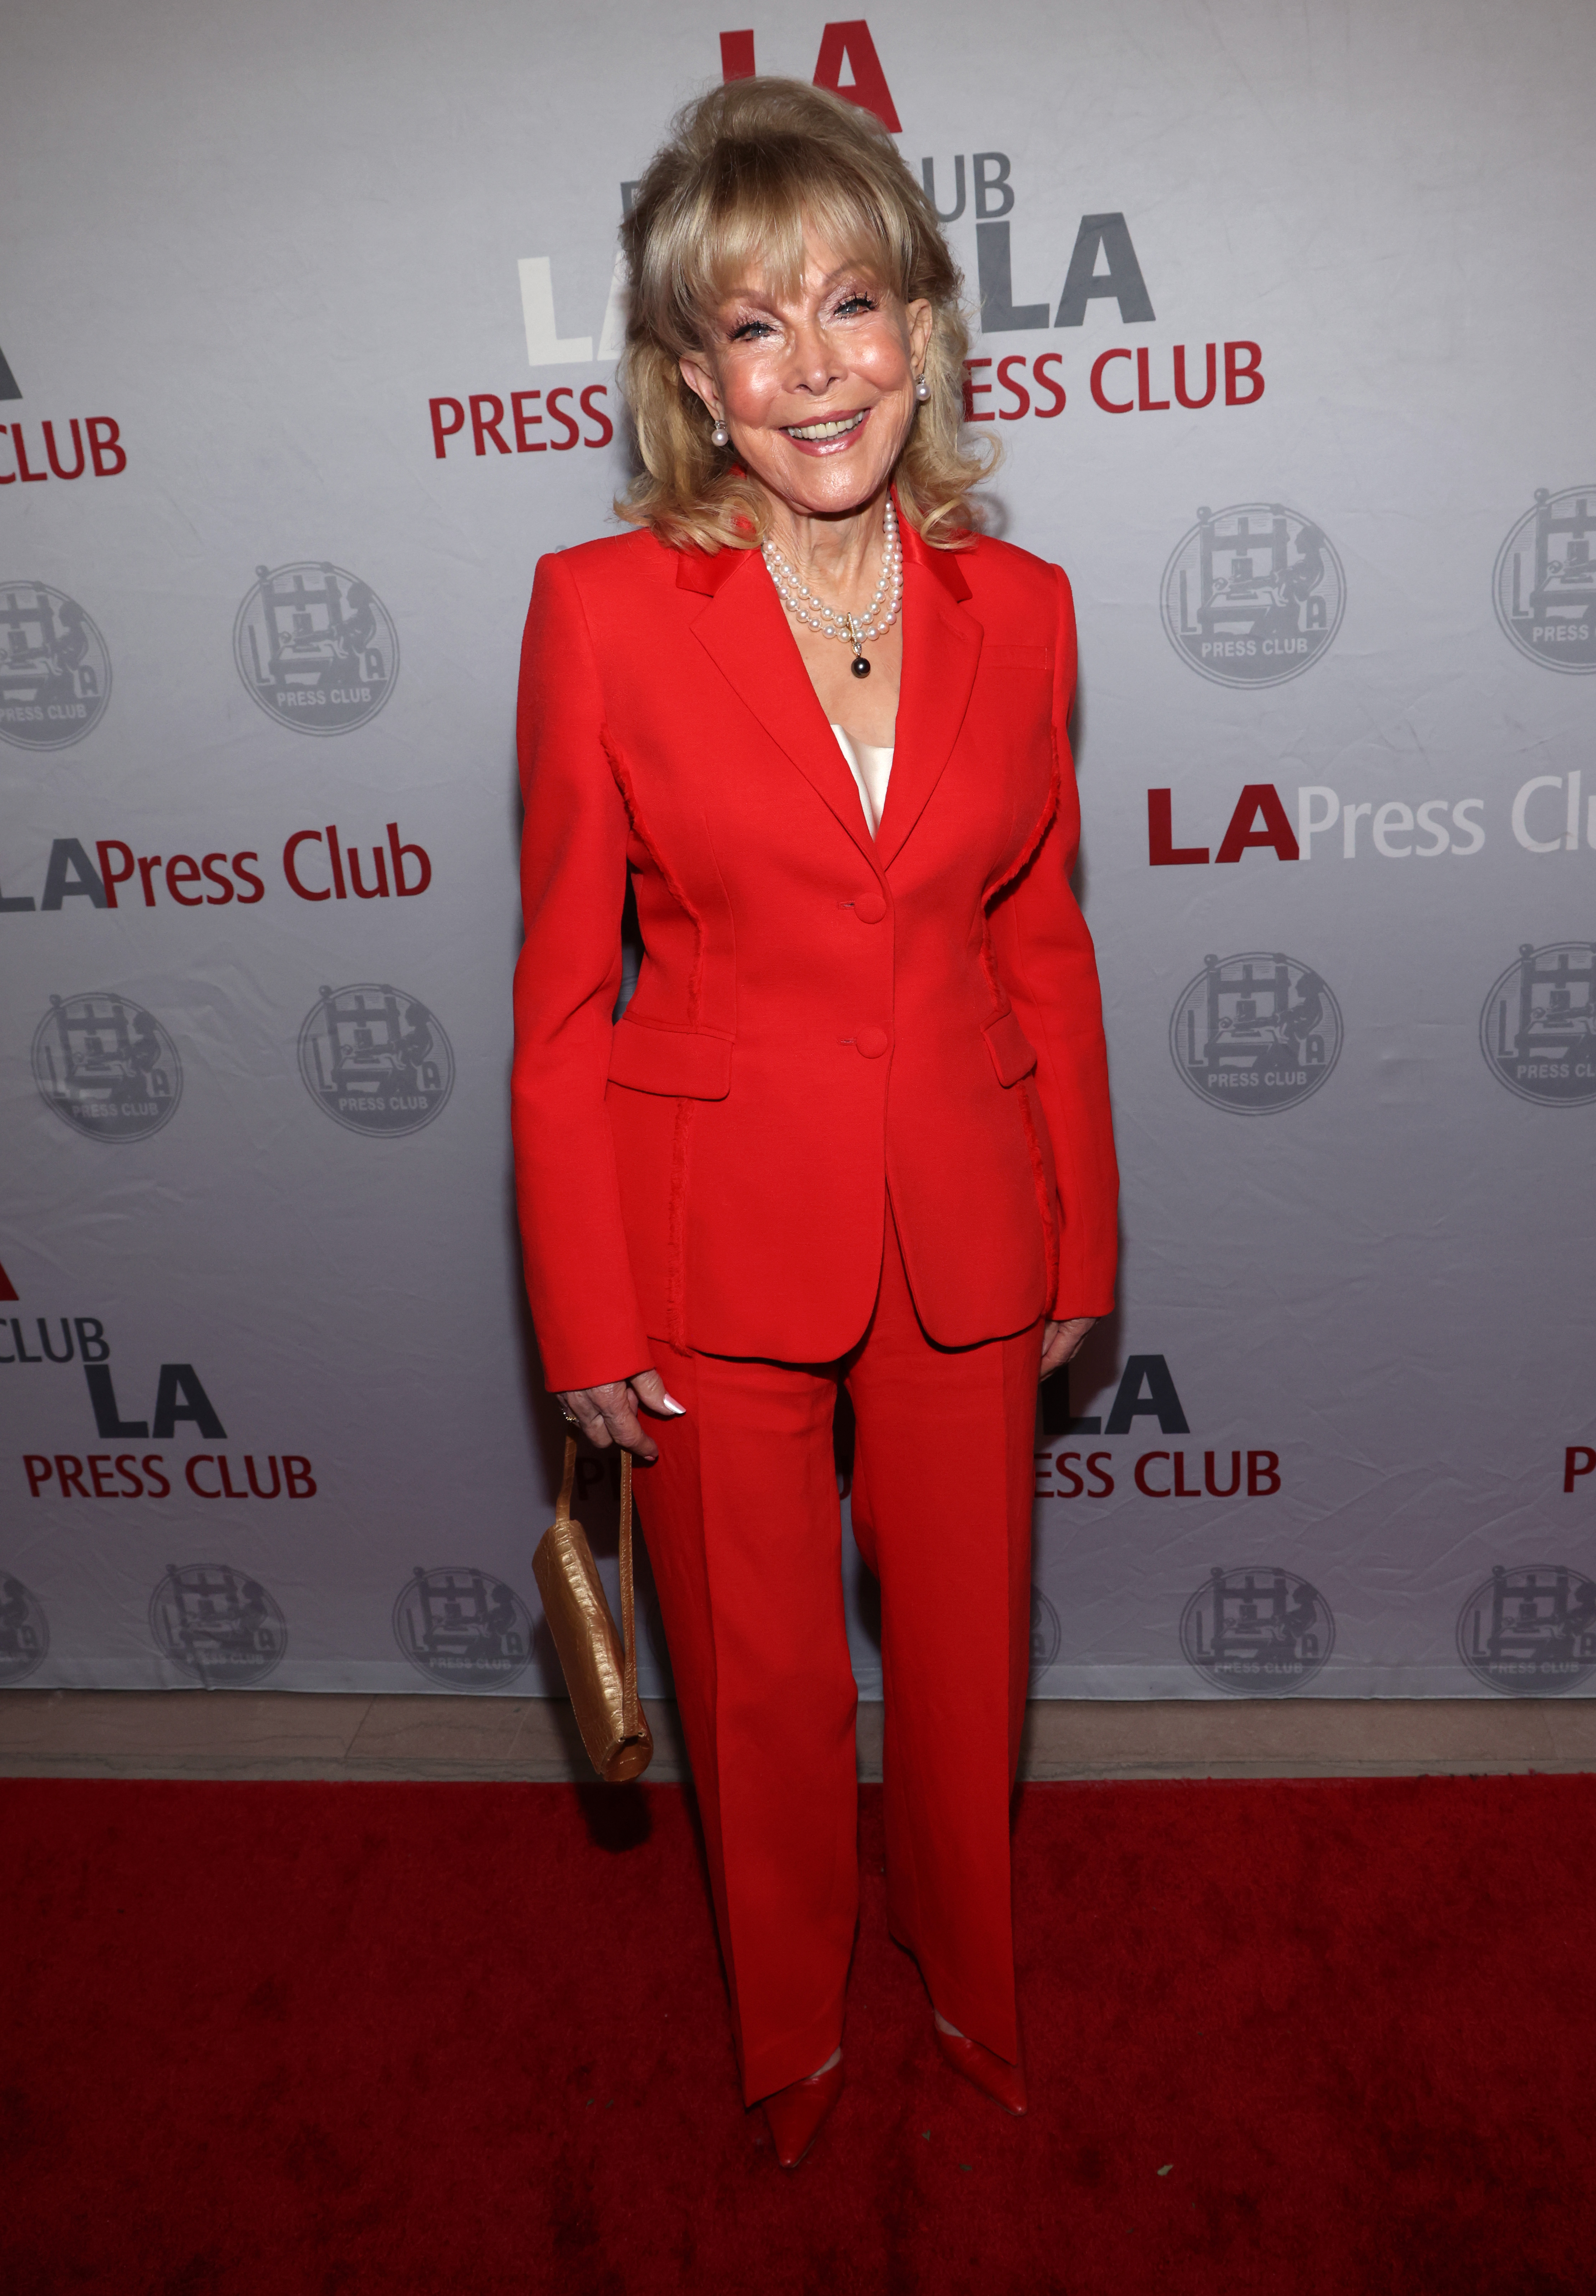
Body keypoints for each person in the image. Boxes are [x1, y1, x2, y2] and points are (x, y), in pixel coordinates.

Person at [512, 77, 1118, 2168]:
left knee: (962, 1680)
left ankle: (971, 1986)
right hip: (706, 1241)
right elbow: (561, 1004)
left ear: (928, 331)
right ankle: (790, 2035)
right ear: (693, 375)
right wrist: (582, 1312)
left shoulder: (1021, 612)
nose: (815, 368)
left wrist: (1081, 1239)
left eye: (853, 304)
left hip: (967, 1219)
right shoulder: (599, 614)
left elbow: (1046, 938)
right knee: (760, 1692)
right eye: (754, 329)